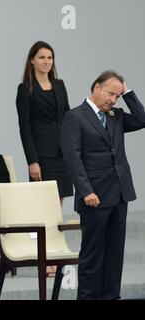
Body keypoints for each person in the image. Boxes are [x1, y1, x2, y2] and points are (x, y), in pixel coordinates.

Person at [62, 70, 145, 300]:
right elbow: (73, 158)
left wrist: (126, 91)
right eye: (111, 93)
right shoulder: (75, 116)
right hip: (94, 196)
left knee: (115, 254)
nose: (113, 100)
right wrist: (86, 190)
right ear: (96, 87)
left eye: (117, 96)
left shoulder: (116, 116)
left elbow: (142, 118)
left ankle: (111, 296)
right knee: (93, 254)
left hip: (119, 194)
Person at [16, 41, 73, 276]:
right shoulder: (25, 88)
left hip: (63, 153)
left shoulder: (59, 85)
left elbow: (68, 117)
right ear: (32, 60)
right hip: (42, 155)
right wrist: (32, 160)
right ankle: (45, 259)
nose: (46, 61)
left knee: (57, 210)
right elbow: (24, 127)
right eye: (41, 57)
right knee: (45, 210)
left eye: (49, 57)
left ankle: (56, 255)